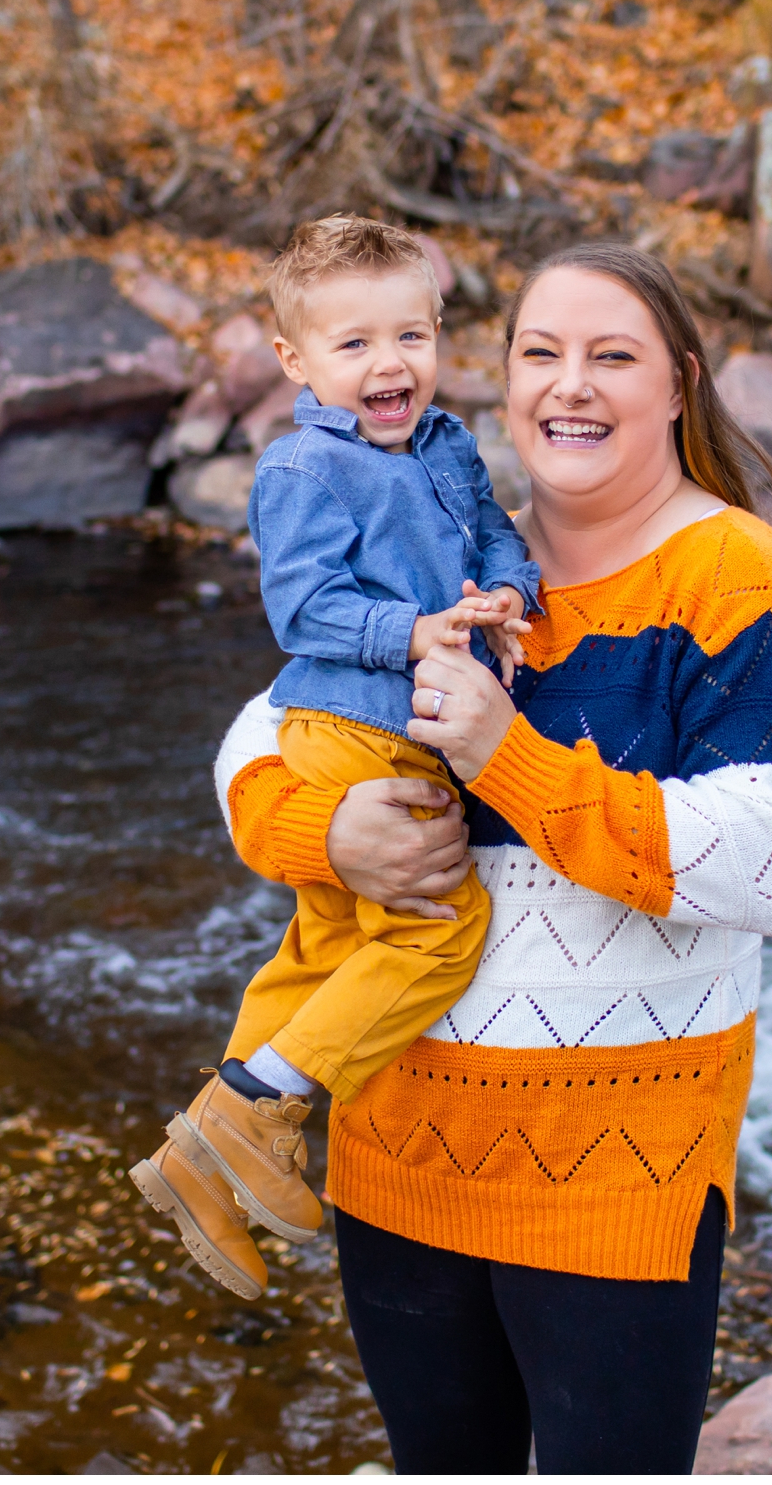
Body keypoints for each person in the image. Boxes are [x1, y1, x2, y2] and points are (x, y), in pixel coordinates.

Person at [210, 243, 772, 1473]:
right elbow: (261, 732)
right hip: (398, 1151)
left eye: (614, 357)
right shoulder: (459, 550)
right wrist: (321, 833)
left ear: (678, 386)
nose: (572, 386)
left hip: (614, 1171)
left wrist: (510, 755)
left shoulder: (734, 575)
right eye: (540, 355)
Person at [131, 216, 540, 1302]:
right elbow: (303, 607)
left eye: (409, 335)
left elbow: (495, 531)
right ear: (294, 362)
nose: (387, 364)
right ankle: (259, 1110)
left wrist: (509, 591)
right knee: (438, 928)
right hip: (348, 723)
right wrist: (412, 630)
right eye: (352, 345)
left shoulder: (447, 443)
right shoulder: (303, 466)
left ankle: (201, 1160)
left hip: (399, 722)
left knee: (324, 948)